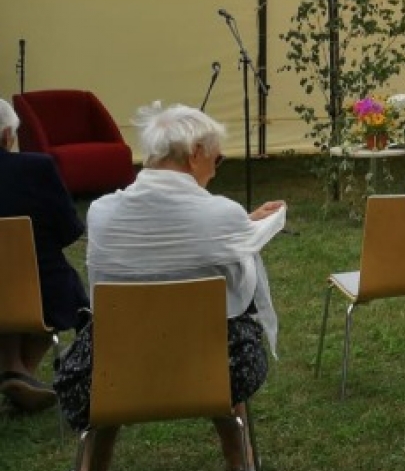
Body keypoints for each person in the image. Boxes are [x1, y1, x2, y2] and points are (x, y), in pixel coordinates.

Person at [56, 103, 287, 471]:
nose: (214, 170)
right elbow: (232, 272)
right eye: (218, 159)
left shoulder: (101, 212)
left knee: (111, 342)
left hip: (114, 373)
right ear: (196, 153)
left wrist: (241, 222)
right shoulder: (222, 215)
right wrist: (242, 224)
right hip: (213, 370)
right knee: (233, 321)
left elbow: (166, 236)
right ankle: (239, 461)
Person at [0, 99, 88, 413]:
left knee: (11, 279)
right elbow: (69, 230)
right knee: (51, 283)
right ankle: (20, 371)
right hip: (39, 289)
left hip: (17, 288)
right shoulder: (36, 168)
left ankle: (14, 368)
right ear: (8, 134)